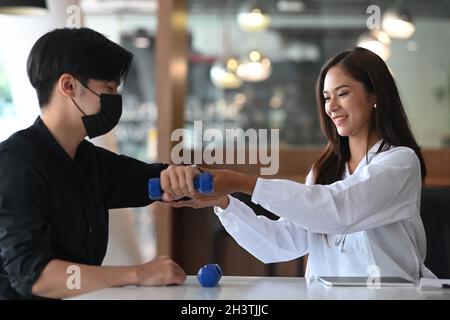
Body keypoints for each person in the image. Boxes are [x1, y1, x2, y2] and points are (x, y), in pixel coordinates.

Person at [159, 47, 435, 282]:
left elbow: (341, 210)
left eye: (343, 93)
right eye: (327, 97)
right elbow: (282, 243)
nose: (331, 107)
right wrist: (223, 202)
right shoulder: (324, 170)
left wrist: (240, 181)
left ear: (375, 95)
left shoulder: (400, 162)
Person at [0, 28, 186, 300]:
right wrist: (138, 274)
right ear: (69, 86)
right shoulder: (15, 164)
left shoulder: (90, 160)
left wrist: (184, 180)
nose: (115, 100)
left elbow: (153, 180)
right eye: (108, 89)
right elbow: (34, 276)